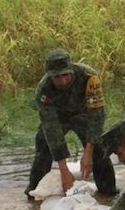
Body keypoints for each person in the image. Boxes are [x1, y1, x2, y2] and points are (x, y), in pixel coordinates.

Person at [26, 48, 116, 199]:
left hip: (84, 113)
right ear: (50, 76)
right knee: (43, 143)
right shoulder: (43, 90)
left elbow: (96, 115)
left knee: (99, 147)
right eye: (57, 77)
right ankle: (34, 192)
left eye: (65, 75)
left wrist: (88, 153)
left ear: (72, 70)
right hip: (58, 115)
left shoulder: (90, 77)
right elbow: (51, 128)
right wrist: (64, 171)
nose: (63, 81)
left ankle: (108, 193)